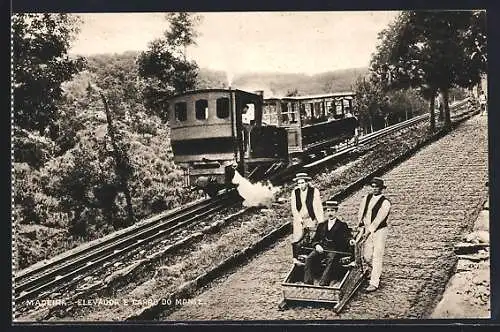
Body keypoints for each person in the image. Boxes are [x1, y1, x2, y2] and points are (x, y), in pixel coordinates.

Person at [355, 177, 391, 292]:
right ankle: (375, 270)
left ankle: (374, 282)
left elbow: (378, 220)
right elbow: (362, 211)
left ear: (381, 189)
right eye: (373, 187)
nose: (375, 189)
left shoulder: (385, 202)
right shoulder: (367, 197)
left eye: (377, 187)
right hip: (367, 230)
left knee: (377, 256)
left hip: (379, 232)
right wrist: (359, 222)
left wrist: (369, 231)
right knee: (366, 256)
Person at [303, 200, 352, 286]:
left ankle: (323, 283)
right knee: (309, 258)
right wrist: (317, 245)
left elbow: (347, 236)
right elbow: (315, 239)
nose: (330, 213)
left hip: (334, 250)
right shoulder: (322, 225)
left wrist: (350, 240)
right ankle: (308, 283)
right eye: (328, 211)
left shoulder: (342, 225)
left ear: (336, 211)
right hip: (322, 248)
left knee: (331, 260)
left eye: (332, 211)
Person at [290, 172, 324, 262]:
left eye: (303, 182)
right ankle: (296, 258)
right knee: (297, 238)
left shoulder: (314, 191)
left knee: (311, 236)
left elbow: (318, 206)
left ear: (307, 182)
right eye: (299, 183)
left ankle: (309, 256)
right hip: (300, 219)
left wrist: (320, 221)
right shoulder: (295, 192)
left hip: (311, 218)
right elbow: (294, 208)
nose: (301, 185)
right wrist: (299, 219)